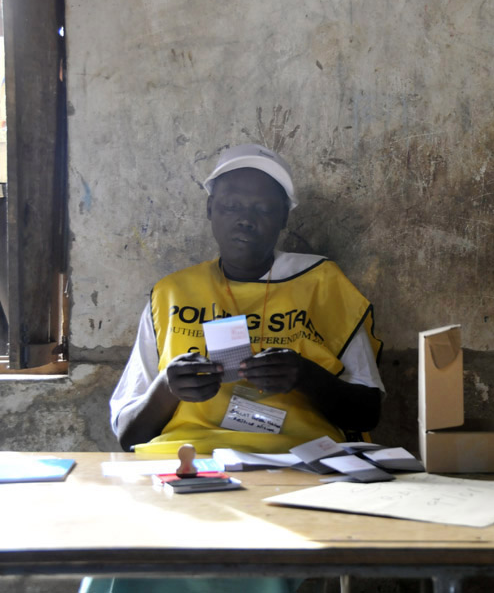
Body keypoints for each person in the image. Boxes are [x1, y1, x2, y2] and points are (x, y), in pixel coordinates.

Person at [83, 144, 384, 593]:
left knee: (250, 553)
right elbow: (128, 434)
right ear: (210, 210)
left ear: (284, 218)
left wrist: (304, 375)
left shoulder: (322, 285)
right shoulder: (172, 293)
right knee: (129, 553)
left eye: (263, 208)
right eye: (231, 206)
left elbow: (368, 413)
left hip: (290, 466)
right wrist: (168, 388)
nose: (246, 218)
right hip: (183, 467)